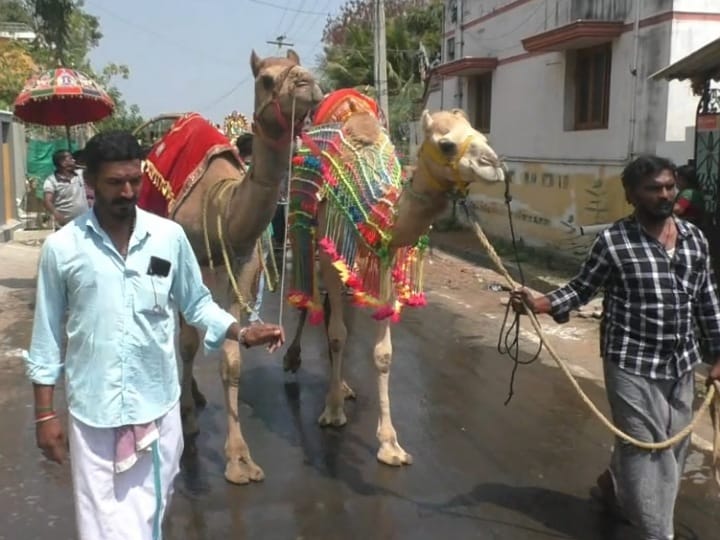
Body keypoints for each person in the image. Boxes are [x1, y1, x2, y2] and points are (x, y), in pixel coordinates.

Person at [24, 131, 285, 540]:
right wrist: (44, 414)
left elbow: (196, 303)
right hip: (95, 417)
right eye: (115, 183)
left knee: (149, 521)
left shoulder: (167, 237)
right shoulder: (62, 249)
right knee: (102, 529)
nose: (127, 192)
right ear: (90, 182)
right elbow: (45, 339)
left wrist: (241, 331)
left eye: (134, 180)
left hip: (159, 411)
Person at [510, 155, 720, 539]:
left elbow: (707, 298)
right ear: (631, 195)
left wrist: (718, 354)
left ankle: (613, 488)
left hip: (682, 363)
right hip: (630, 362)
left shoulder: (694, 239)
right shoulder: (615, 240)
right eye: (653, 188)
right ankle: (659, 532)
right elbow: (581, 288)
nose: (664, 194)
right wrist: (540, 303)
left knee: (674, 447)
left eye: (669, 187)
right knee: (646, 449)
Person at [42, 149, 88, 227]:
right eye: (70, 158)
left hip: (84, 221)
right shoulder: (51, 180)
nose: (74, 160)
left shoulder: (80, 174)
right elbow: (47, 201)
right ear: (63, 163)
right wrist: (57, 215)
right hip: (65, 224)